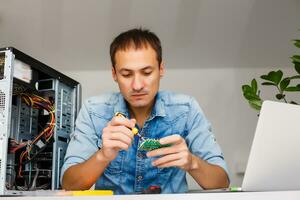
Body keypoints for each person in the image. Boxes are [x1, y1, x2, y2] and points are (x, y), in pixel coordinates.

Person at [61, 28, 229, 194]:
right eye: (126, 74)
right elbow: (69, 184)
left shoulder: (186, 109)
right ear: (114, 74)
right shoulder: (93, 111)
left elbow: (222, 182)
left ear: (161, 69)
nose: (137, 85)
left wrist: (192, 163)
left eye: (147, 72)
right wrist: (102, 155)